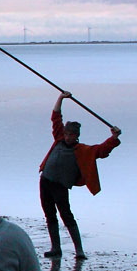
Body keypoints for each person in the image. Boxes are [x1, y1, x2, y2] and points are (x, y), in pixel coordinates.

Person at [38, 91, 121, 259]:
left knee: (66, 215)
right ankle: (56, 248)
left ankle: (79, 251)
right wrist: (61, 98)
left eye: (71, 135)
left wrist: (114, 137)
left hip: (61, 185)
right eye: (67, 134)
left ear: (77, 136)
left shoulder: (83, 150)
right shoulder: (59, 138)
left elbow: (102, 150)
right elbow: (56, 117)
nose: (68, 137)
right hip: (45, 180)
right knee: (49, 215)